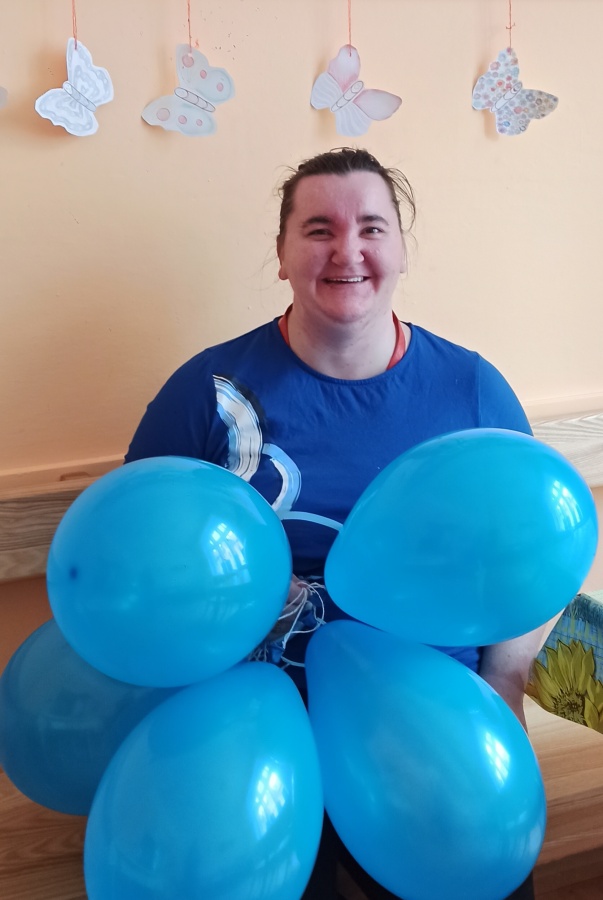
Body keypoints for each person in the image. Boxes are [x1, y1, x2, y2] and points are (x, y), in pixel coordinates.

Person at [125, 148, 542, 900]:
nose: (347, 250)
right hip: (245, 742)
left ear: (401, 250)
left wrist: (505, 682)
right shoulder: (205, 392)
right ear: (282, 253)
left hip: (429, 735)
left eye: (371, 228)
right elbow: (136, 555)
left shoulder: (472, 391)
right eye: (318, 229)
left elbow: (525, 558)